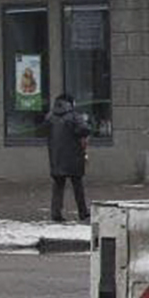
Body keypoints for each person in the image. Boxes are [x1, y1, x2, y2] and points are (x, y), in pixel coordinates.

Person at [42, 93, 93, 223]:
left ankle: (56, 213)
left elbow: (44, 131)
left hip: (56, 157)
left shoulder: (50, 117)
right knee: (78, 186)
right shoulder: (74, 116)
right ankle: (83, 212)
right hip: (74, 156)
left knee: (58, 186)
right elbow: (84, 129)